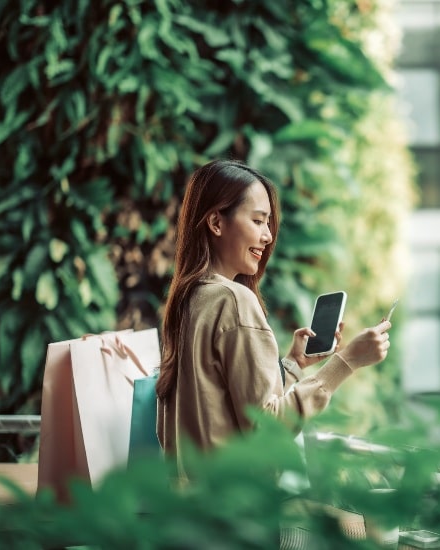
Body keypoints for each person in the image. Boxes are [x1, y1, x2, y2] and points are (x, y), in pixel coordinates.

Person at [156, 159, 391, 469]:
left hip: (190, 507)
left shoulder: (188, 300)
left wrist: (293, 365)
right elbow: (268, 429)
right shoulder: (234, 301)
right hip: (239, 509)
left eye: (268, 223)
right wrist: (347, 362)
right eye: (257, 221)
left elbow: (213, 412)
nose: (267, 236)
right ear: (216, 223)